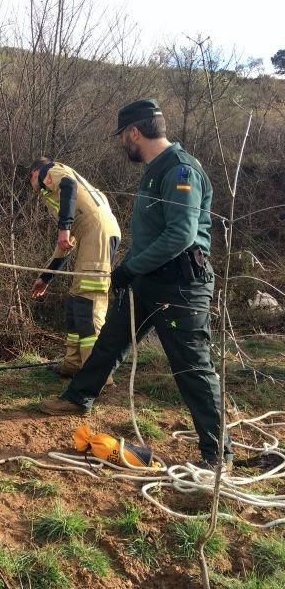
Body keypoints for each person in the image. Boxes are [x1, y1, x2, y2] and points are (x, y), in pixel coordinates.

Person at [39, 99, 232, 470]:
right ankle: (79, 397)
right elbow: (155, 234)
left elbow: (180, 235)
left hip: (178, 286)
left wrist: (131, 266)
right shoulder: (154, 169)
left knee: (192, 366)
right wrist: (131, 269)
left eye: (122, 137)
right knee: (111, 340)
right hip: (147, 280)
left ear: (134, 132)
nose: (121, 144)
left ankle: (217, 454)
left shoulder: (180, 171)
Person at [28, 157, 121, 386]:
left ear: (34, 174)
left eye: (30, 180)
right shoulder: (64, 197)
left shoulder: (52, 171)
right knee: (75, 302)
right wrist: (46, 277)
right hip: (93, 233)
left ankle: (97, 377)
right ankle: (73, 364)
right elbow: (65, 245)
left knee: (88, 305)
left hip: (97, 235)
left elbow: (68, 185)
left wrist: (64, 227)